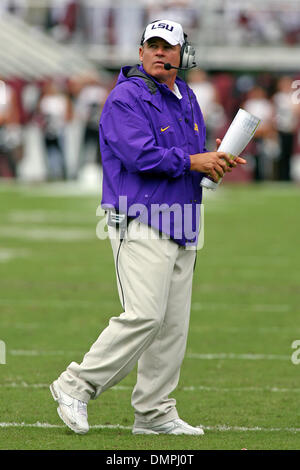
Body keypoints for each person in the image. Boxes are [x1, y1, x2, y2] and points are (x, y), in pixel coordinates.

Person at [50, 19, 246, 436]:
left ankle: (155, 413)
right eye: (152, 45)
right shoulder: (125, 97)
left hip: (184, 219)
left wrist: (215, 161)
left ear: (183, 55)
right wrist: (196, 161)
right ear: (139, 53)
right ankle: (76, 385)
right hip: (139, 216)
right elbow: (141, 155)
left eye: (168, 47)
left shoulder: (187, 96)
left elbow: (189, 157)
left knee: (172, 327)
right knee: (144, 315)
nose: (160, 53)